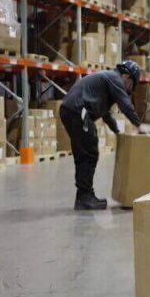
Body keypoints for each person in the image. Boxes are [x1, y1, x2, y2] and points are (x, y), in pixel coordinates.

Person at [59, 61, 144, 210]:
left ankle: (83, 196)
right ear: (126, 76)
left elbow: (106, 113)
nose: (129, 90)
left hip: (71, 110)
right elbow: (125, 104)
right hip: (78, 110)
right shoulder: (115, 78)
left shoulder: (107, 79)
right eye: (131, 85)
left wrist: (116, 131)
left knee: (83, 153)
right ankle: (84, 197)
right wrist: (139, 125)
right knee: (90, 152)